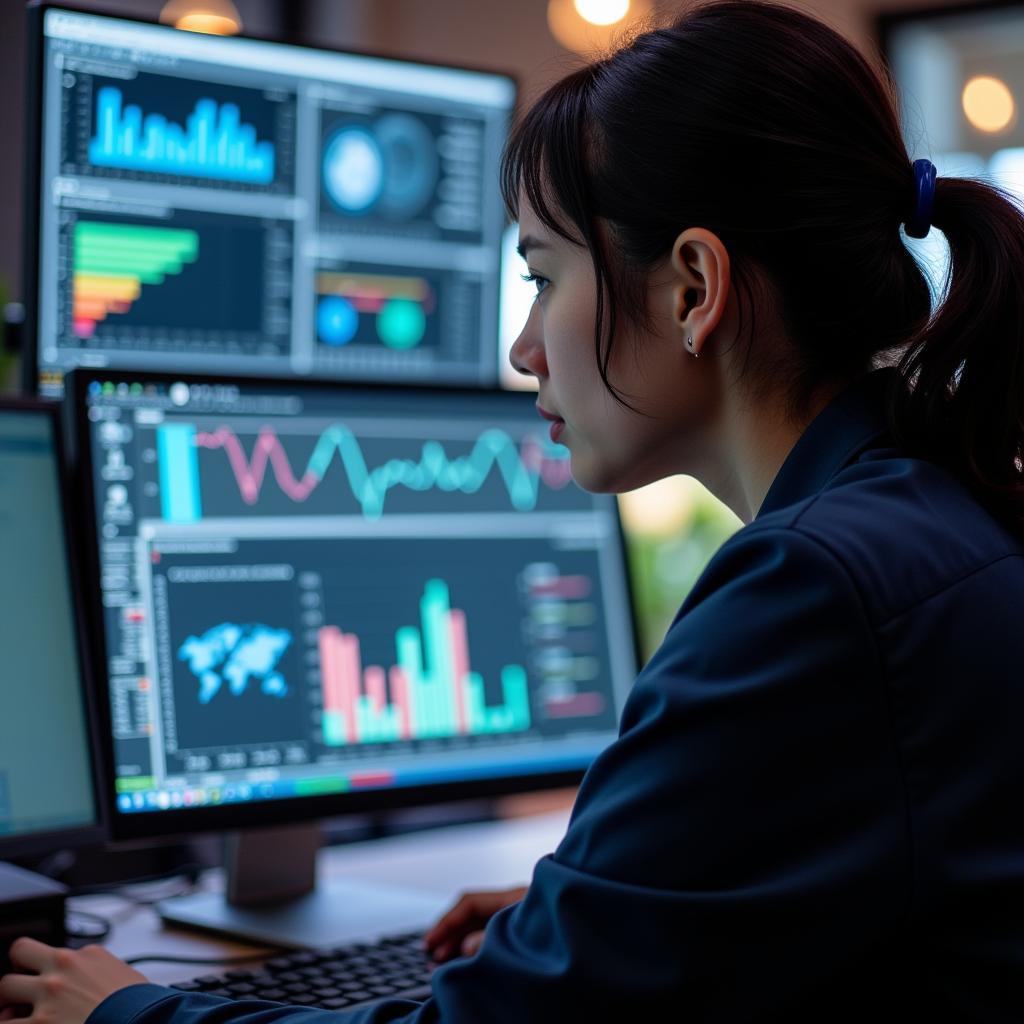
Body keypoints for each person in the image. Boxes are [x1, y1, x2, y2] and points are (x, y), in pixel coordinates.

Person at [4, 0, 1024, 1020]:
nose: (524, 347)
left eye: (543, 276)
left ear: (692, 289)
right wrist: (607, 911)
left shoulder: (811, 590)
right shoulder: (930, 509)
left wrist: (125, 1012)